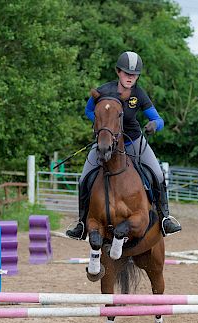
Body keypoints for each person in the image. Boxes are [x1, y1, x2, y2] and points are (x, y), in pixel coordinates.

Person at [66, 51, 182, 240]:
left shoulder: (138, 94)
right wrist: (103, 125)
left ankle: (164, 218)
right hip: (106, 142)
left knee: (158, 174)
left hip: (134, 141)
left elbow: (158, 119)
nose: (130, 77)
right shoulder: (103, 91)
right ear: (118, 72)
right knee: (84, 178)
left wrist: (154, 125)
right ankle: (81, 223)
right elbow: (89, 110)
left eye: (134, 74)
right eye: (127, 73)